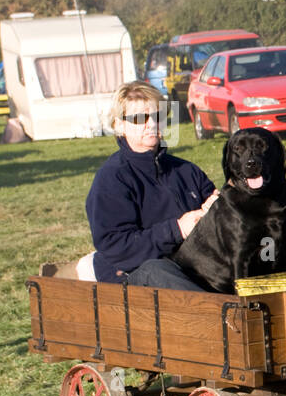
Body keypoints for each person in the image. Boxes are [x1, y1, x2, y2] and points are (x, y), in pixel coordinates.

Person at [85, 80, 217, 288]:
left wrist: (219, 205)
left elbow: (214, 200)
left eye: (157, 116)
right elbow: (116, 247)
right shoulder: (112, 179)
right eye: (139, 118)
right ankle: (218, 315)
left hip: (191, 261)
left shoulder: (185, 170)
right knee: (156, 270)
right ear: (119, 125)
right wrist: (177, 229)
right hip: (133, 274)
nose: (151, 124)